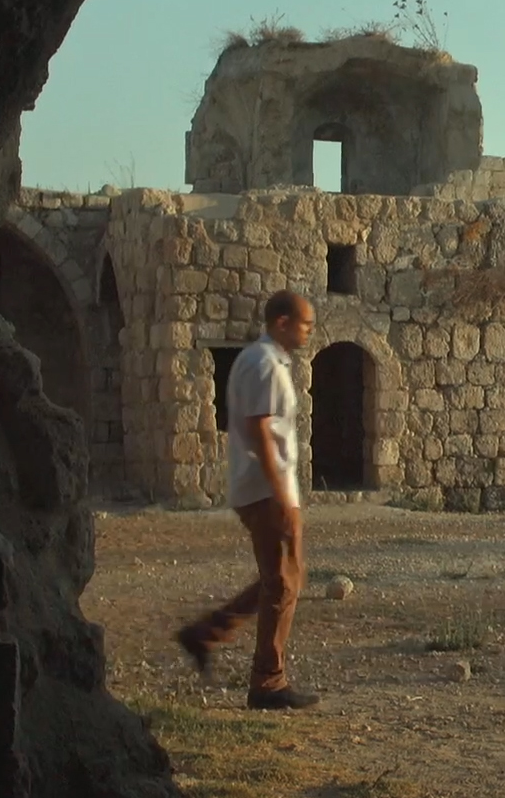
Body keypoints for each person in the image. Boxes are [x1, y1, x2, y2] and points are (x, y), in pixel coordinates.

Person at [175, 290, 320, 710]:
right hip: (266, 488)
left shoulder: (257, 360)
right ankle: (268, 683)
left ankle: (207, 633)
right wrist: (280, 490)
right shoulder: (265, 365)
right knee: (284, 584)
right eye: (304, 323)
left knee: (281, 580)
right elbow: (259, 427)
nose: (309, 330)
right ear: (281, 322)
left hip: (259, 486)